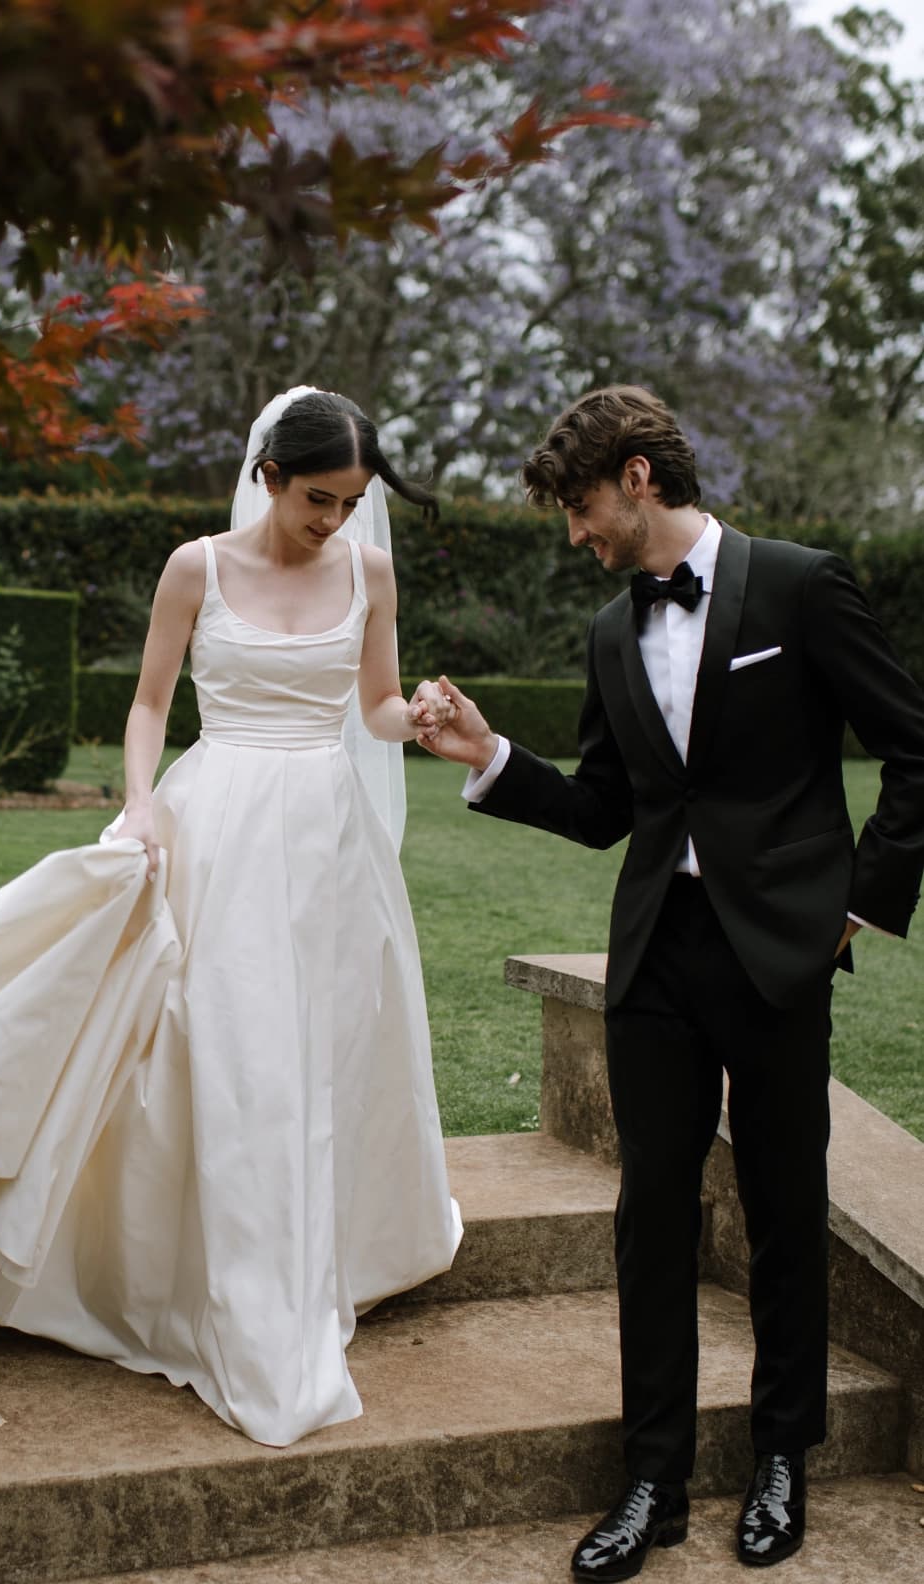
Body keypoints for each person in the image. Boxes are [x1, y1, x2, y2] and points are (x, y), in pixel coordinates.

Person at [0, 386, 463, 1448]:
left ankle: (321, 1259)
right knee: (226, 1051)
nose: (334, 521)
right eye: (320, 498)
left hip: (326, 843)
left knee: (323, 1053)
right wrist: (142, 801)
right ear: (269, 475)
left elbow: (374, 708)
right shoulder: (197, 568)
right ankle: (214, 1283)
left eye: (353, 502)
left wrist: (426, 717)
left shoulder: (370, 569)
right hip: (215, 825)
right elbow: (147, 707)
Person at [414, 385, 924, 1577]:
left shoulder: (801, 586)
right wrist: (491, 756)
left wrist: (854, 908)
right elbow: (606, 810)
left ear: (638, 476)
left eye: (583, 508)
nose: (576, 535)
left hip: (783, 948)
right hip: (656, 954)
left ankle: (783, 1456)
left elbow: (914, 747)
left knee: (786, 1204)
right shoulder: (608, 632)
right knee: (651, 1219)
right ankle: (655, 1479)